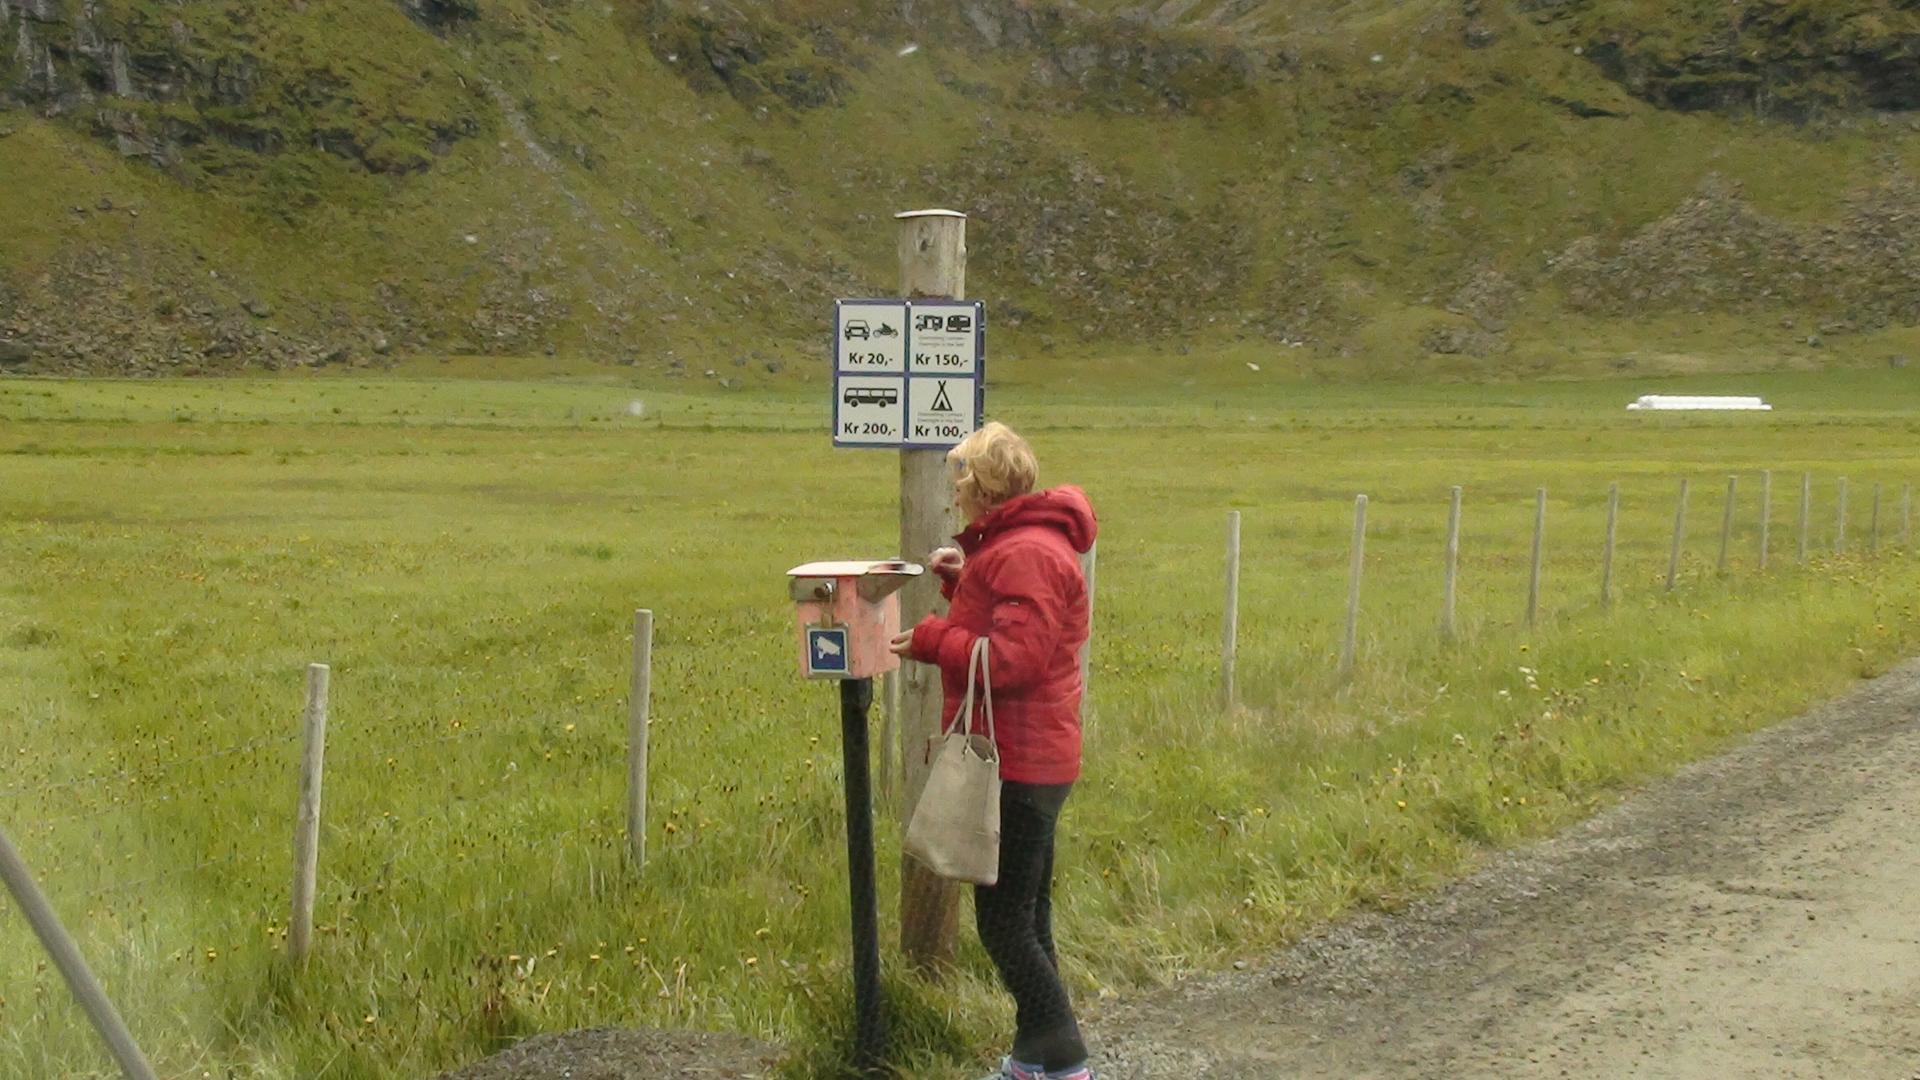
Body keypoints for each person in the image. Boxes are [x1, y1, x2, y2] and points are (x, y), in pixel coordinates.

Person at [890, 421, 1099, 1080]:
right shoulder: (1020, 545)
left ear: (981, 486)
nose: (954, 491)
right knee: (1028, 918)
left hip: (1019, 760)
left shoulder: (1024, 552)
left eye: (960, 478)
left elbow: (1013, 660)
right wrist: (966, 584)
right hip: (1035, 754)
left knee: (1004, 924)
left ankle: (1066, 1059)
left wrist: (933, 640)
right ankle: (1036, 1060)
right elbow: (1012, 626)